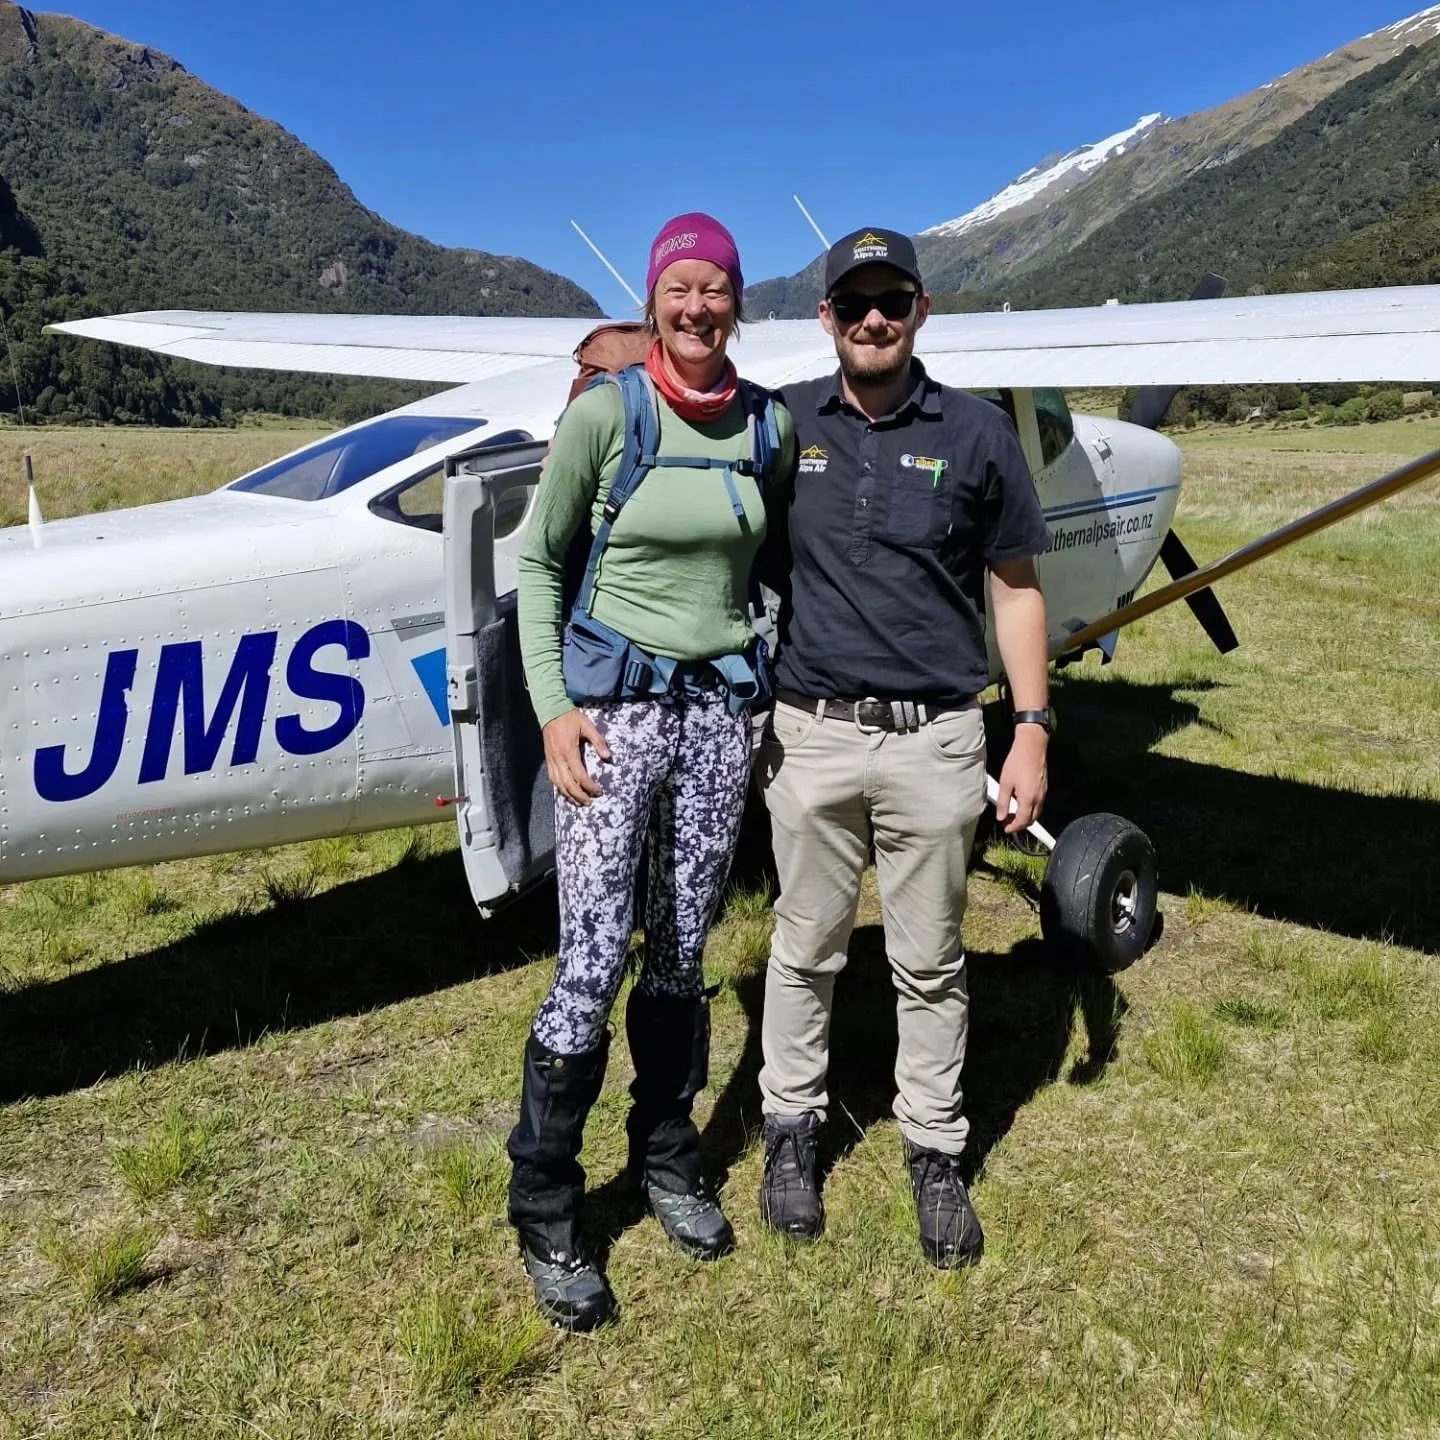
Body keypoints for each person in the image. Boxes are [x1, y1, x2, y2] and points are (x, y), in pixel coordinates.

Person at [509, 212, 796, 1332]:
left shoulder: (766, 428)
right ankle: (546, 1208)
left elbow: (782, 564)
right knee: (590, 961)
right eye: (678, 290)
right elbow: (539, 562)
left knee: (681, 953)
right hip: (613, 720)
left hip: (718, 719)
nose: (696, 308)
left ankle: (668, 1160)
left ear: (737, 303)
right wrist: (552, 713)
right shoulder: (606, 414)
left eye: (715, 289)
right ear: (650, 302)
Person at [756, 227, 1051, 1267]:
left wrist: (1031, 730)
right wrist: (610, 370)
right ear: (827, 317)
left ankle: (934, 1147)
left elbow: (1015, 586)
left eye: (894, 300)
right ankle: (789, 1129)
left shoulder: (975, 435)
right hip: (812, 735)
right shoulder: (781, 421)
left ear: (921, 311)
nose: (873, 317)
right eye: (854, 303)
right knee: (804, 948)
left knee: (930, 960)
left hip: (936, 738)